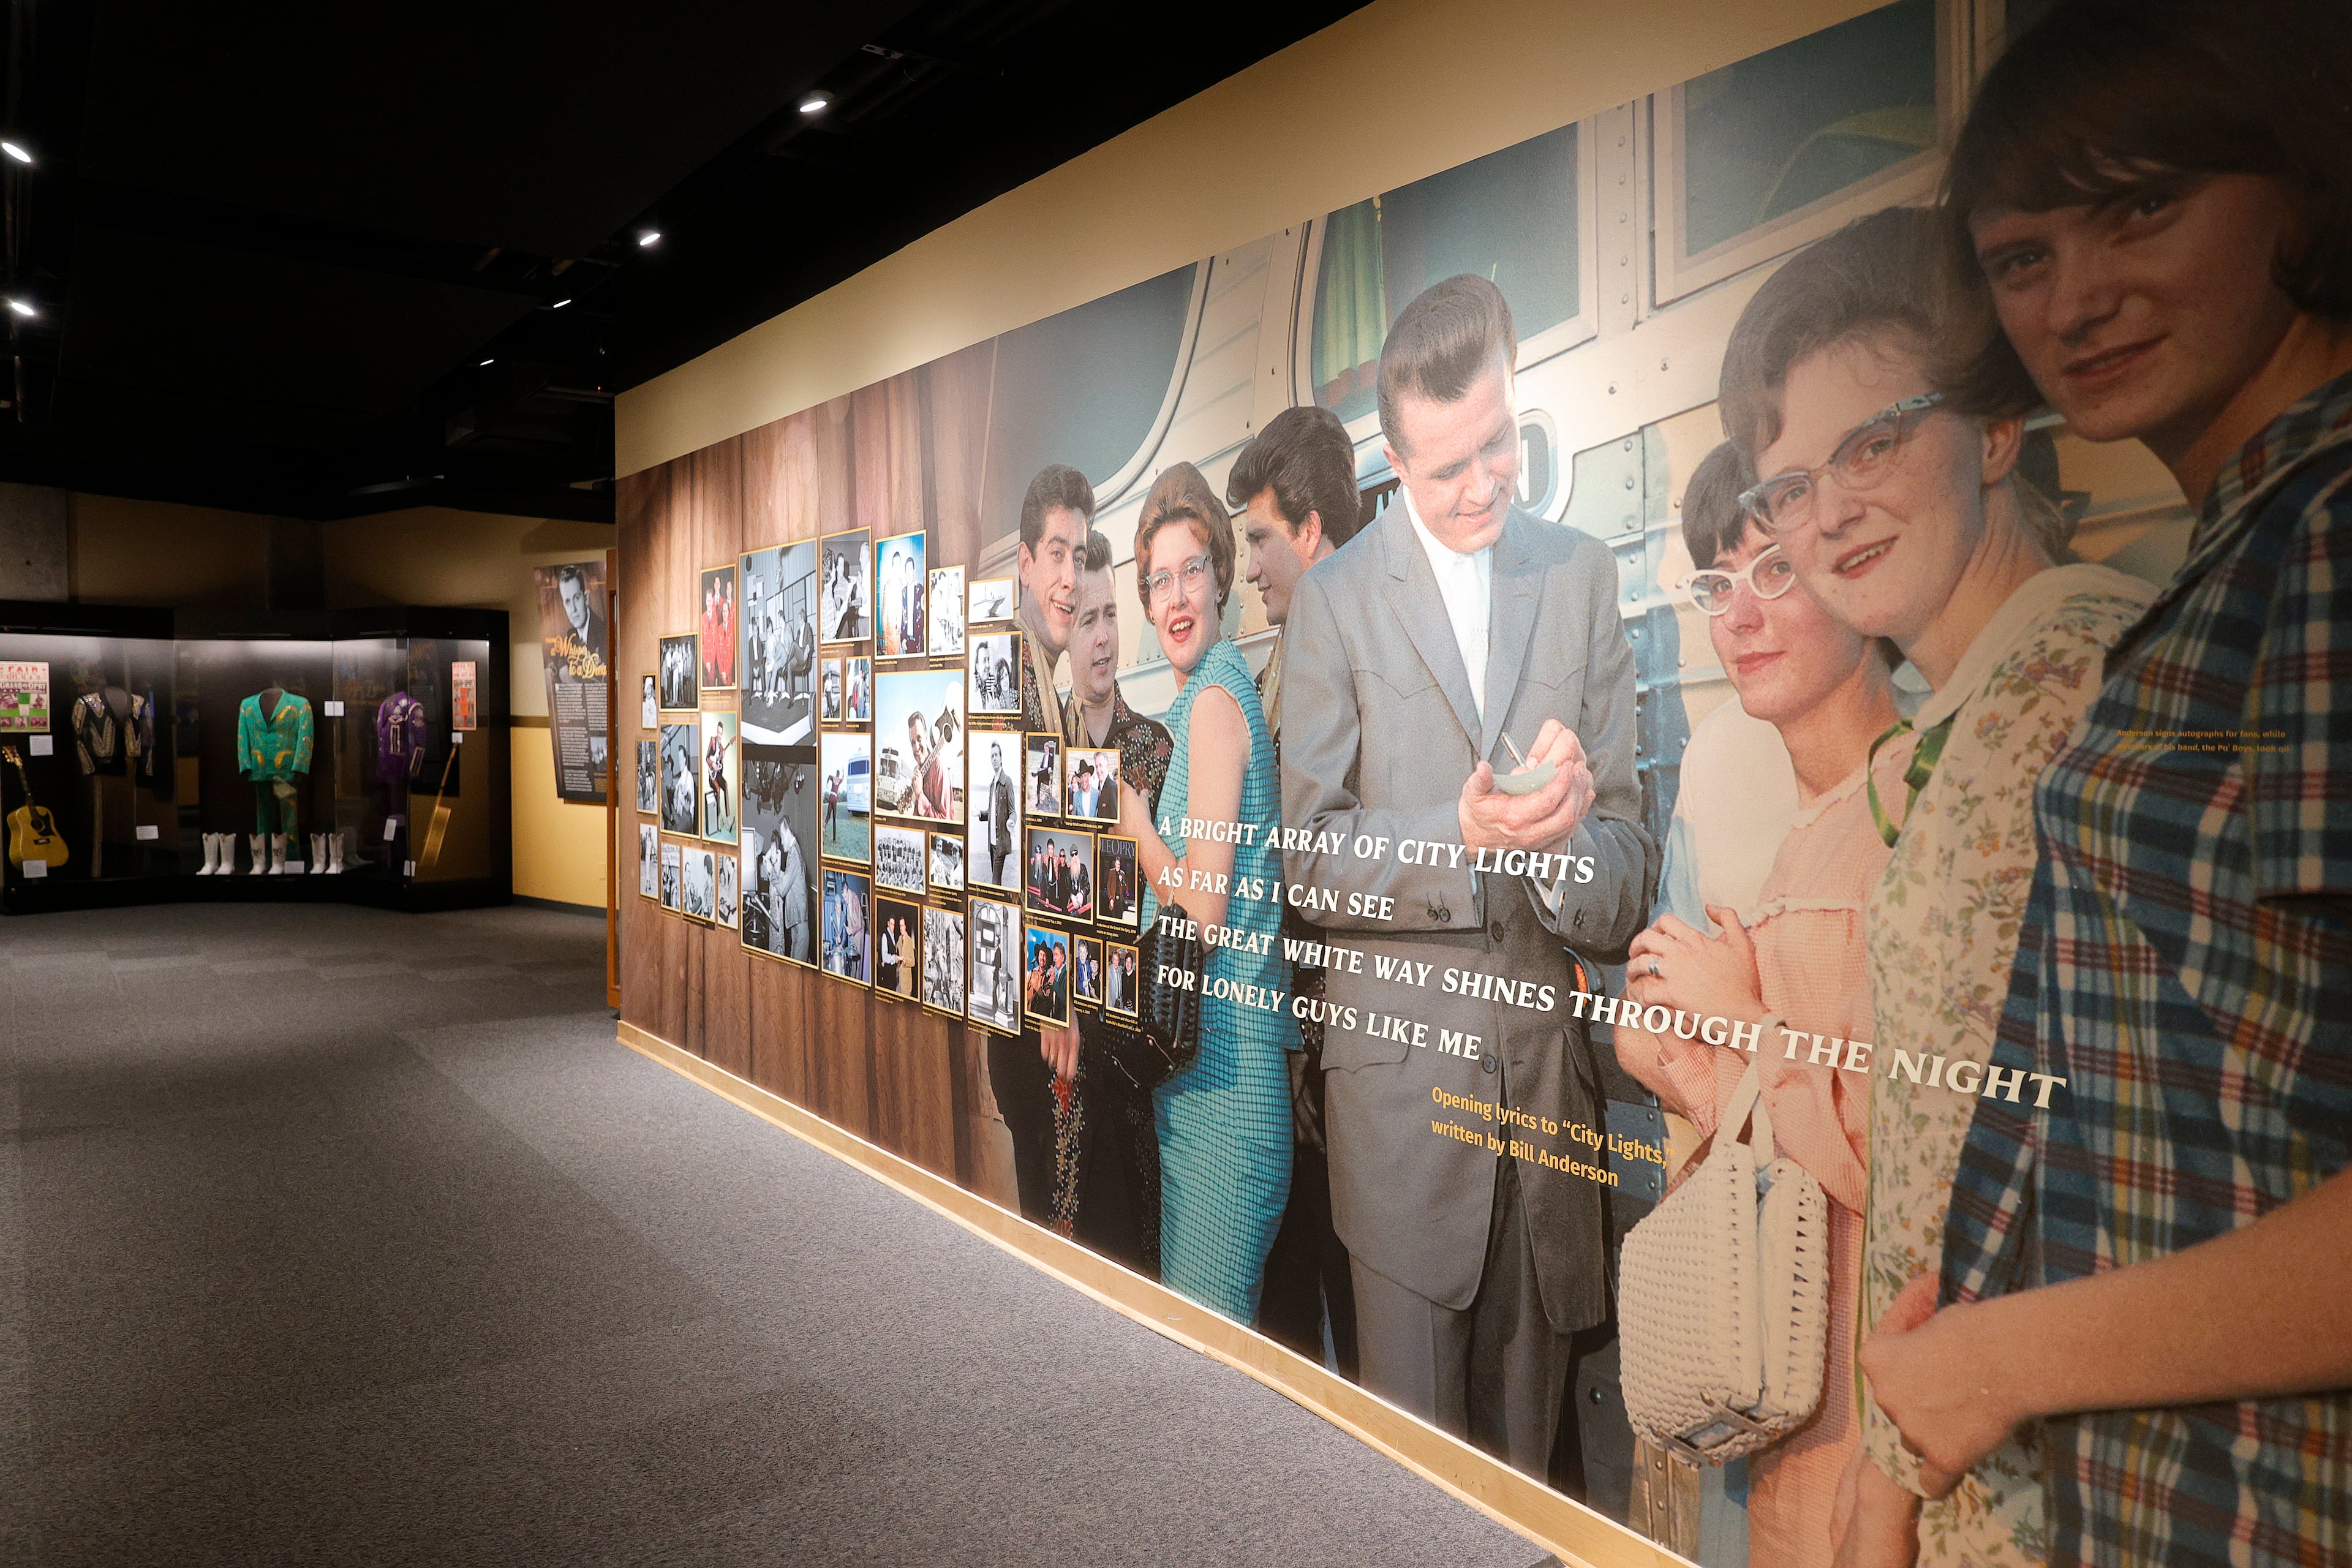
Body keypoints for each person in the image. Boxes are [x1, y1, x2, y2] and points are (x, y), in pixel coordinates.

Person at [1842, 9, 2352, 1567]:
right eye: (2020, 257)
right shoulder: (2233, 541)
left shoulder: (2325, 529)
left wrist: (2001, 1359)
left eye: (2139, 207)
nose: (2078, 296)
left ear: (2290, 185)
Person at [1712, 203, 2157, 1567]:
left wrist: (1884, 1494)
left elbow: (1975, 1192)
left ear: (1998, 426)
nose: (1829, 507)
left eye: (1877, 437)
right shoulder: (1981, 714)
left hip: (2010, 1494)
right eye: (1791, 482)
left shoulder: (2043, 702)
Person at [1278, 274, 1654, 1487]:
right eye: (1448, 470)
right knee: (1417, 1502)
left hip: (1548, 1118)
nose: (1486, 482)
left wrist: (1555, 846)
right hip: (1400, 1139)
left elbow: (1627, 869)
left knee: (1534, 1486)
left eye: (1499, 444)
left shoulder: (1582, 577)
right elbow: (1309, 854)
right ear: (1394, 460)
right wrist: (1460, 833)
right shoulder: (1334, 604)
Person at [1615, 442, 1902, 1568]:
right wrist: (1691, 1050)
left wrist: (1727, 1026)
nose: (1741, 617)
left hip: (1866, 1357)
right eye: (1716, 585)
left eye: (1773, 570)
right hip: (1748, 1299)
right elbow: (1653, 1011)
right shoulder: (1726, 765)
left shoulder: (1913, 803)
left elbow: (1905, 1156)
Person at [1111, 460, 1293, 1322]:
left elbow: (1205, 910)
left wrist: (1133, 819)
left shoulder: (1217, 701)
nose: (1176, 595)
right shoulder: (1196, 704)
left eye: (1191, 570)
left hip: (1228, 1090)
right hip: (1199, 1082)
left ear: (1222, 576)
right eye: (1158, 580)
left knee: (1206, 1364)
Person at [1226, 400, 1369, 1379]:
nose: (1247, 568)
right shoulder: (1284, 661)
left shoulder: (1362, 649)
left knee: (1364, 1333)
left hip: (1354, 1065)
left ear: (1313, 531)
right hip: (1301, 1059)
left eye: (1259, 539)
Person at [1060, 527, 1177, 1275]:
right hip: (1062, 1051)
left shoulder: (1159, 752)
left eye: (1110, 615)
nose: (1102, 638)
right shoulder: (1042, 749)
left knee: (1139, 1250)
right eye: (1085, 620)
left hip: (1140, 1060)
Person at [989, 464, 1094, 1238]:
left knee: (1056, 1214)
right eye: (1055, 554)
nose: (1068, 578)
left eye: (1080, 558)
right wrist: (1053, 1000)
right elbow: (1013, 850)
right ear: (1025, 564)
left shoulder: (1042, 677)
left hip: (1033, 1001)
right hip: (1034, 1010)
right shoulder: (1012, 678)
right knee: (1057, 1225)